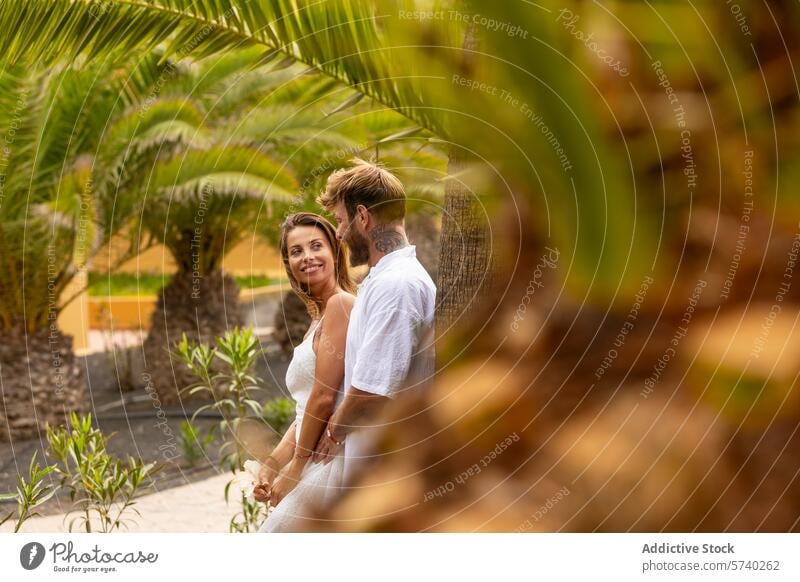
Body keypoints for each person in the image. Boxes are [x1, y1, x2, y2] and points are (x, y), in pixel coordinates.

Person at [312, 158, 436, 484]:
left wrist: (332, 436)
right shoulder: (385, 279)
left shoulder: (397, 285)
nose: (338, 233)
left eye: (340, 221)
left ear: (363, 217)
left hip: (386, 471)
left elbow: (373, 390)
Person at [255, 213, 356, 532]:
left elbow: (324, 398)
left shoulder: (341, 305)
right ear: (288, 263)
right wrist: (272, 464)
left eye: (316, 246)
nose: (307, 257)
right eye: (296, 251)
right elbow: (304, 411)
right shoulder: (318, 319)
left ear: (335, 251)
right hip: (309, 456)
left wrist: (296, 467)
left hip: (326, 462)